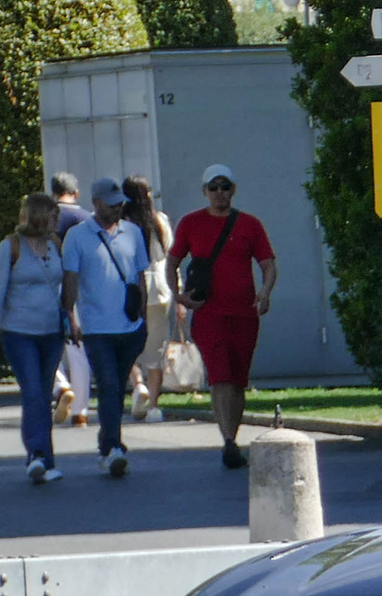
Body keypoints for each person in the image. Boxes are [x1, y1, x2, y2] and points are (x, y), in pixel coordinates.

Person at [167, 164, 276, 469]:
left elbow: (268, 263)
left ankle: (232, 434)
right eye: (212, 188)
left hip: (244, 313)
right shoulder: (191, 223)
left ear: (233, 190)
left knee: (238, 380)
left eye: (224, 187)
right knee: (220, 377)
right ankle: (228, 440)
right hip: (208, 313)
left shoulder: (250, 225)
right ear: (204, 191)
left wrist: (264, 292)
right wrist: (178, 295)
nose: (219, 193)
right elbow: (171, 261)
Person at [0, 192, 70, 482]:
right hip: (19, 332)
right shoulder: (10, 247)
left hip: (52, 332)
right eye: (53, 215)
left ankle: (47, 459)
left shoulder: (55, 245)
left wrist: (72, 321)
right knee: (32, 392)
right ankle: (37, 455)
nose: (57, 220)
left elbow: (64, 290)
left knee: (43, 394)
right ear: (38, 215)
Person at [61, 176, 149, 477]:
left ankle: (108, 442)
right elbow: (70, 280)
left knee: (117, 388)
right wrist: (70, 317)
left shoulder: (133, 232)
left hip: (129, 326)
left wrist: (144, 319)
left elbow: (141, 277)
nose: (116, 210)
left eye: (119, 204)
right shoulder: (77, 236)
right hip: (96, 327)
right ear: (95, 203)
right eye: (110, 205)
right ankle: (112, 447)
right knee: (110, 385)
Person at [120, 175, 175, 423]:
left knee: (127, 343)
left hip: (131, 290)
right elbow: (170, 258)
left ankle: (138, 384)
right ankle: (153, 406)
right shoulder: (160, 221)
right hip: (160, 289)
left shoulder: (122, 223)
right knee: (156, 349)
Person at [49, 173, 90, 425]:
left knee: (45, 344)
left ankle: (61, 386)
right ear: (76, 192)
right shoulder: (88, 219)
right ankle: (81, 411)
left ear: (53, 193)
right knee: (79, 349)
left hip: (51, 285)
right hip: (82, 288)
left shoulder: (47, 219)